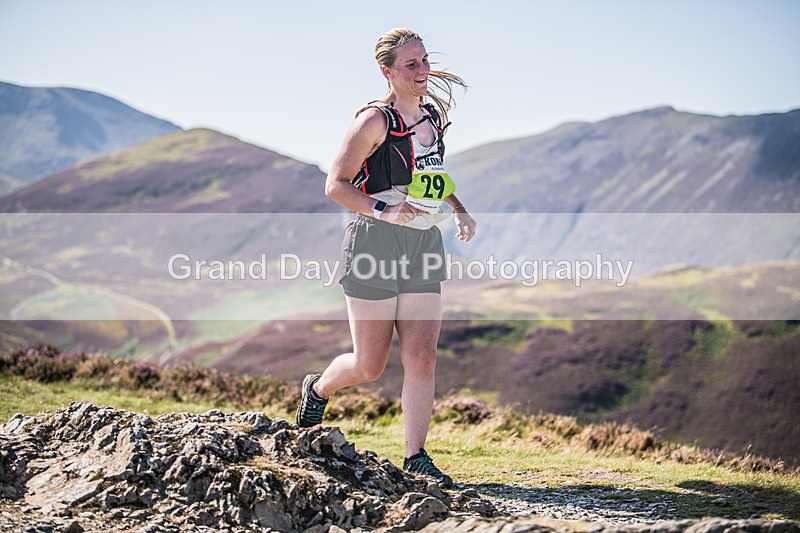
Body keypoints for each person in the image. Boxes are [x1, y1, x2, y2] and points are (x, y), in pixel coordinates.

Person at [296, 28, 476, 488]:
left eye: (424, 61)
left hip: (421, 246)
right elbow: (336, 185)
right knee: (369, 365)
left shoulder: (433, 116)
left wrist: (458, 209)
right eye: (411, 65)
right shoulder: (374, 121)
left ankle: (416, 457)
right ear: (388, 72)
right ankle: (317, 389)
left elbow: (433, 175)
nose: (423, 71)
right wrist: (385, 209)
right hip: (374, 242)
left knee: (422, 359)